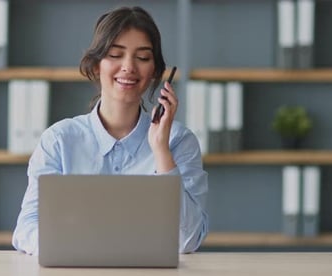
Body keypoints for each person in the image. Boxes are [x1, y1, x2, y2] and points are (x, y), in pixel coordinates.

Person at [12, 6, 208, 255]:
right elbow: (25, 229)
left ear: (156, 73)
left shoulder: (179, 142)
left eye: (143, 58)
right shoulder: (59, 141)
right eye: (115, 54)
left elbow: (187, 240)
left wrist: (161, 153)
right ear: (96, 66)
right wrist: (76, 247)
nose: (128, 67)